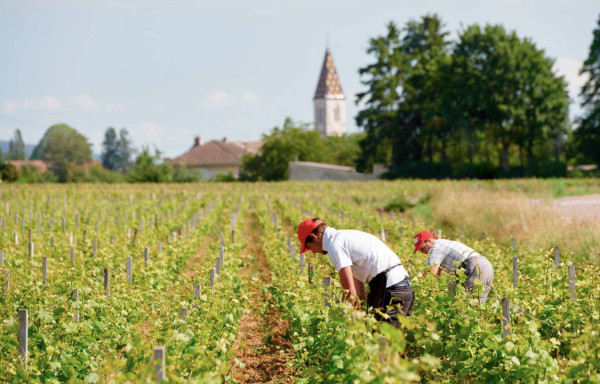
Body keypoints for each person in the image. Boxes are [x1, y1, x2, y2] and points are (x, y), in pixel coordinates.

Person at [298, 217, 414, 327]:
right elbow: (359, 293)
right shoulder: (345, 237)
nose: (313, 251)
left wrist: (341, 322)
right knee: (381, 342)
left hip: (391, 290)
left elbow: (350, 293)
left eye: (310, 247)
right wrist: (355, 321)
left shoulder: (335, 245)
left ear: (313, 236)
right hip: (396, 287)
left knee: (384, 344)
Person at [413, 231, 494, 304]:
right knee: (477, 304)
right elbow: (439, 273)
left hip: (474, 267)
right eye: (419, 249)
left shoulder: (435, 248)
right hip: (484, 265)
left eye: (422, 247)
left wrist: (418, 287)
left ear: (429, 241)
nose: (422, 251)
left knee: (468, 304)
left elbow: (431, 273)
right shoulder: (442, 245)